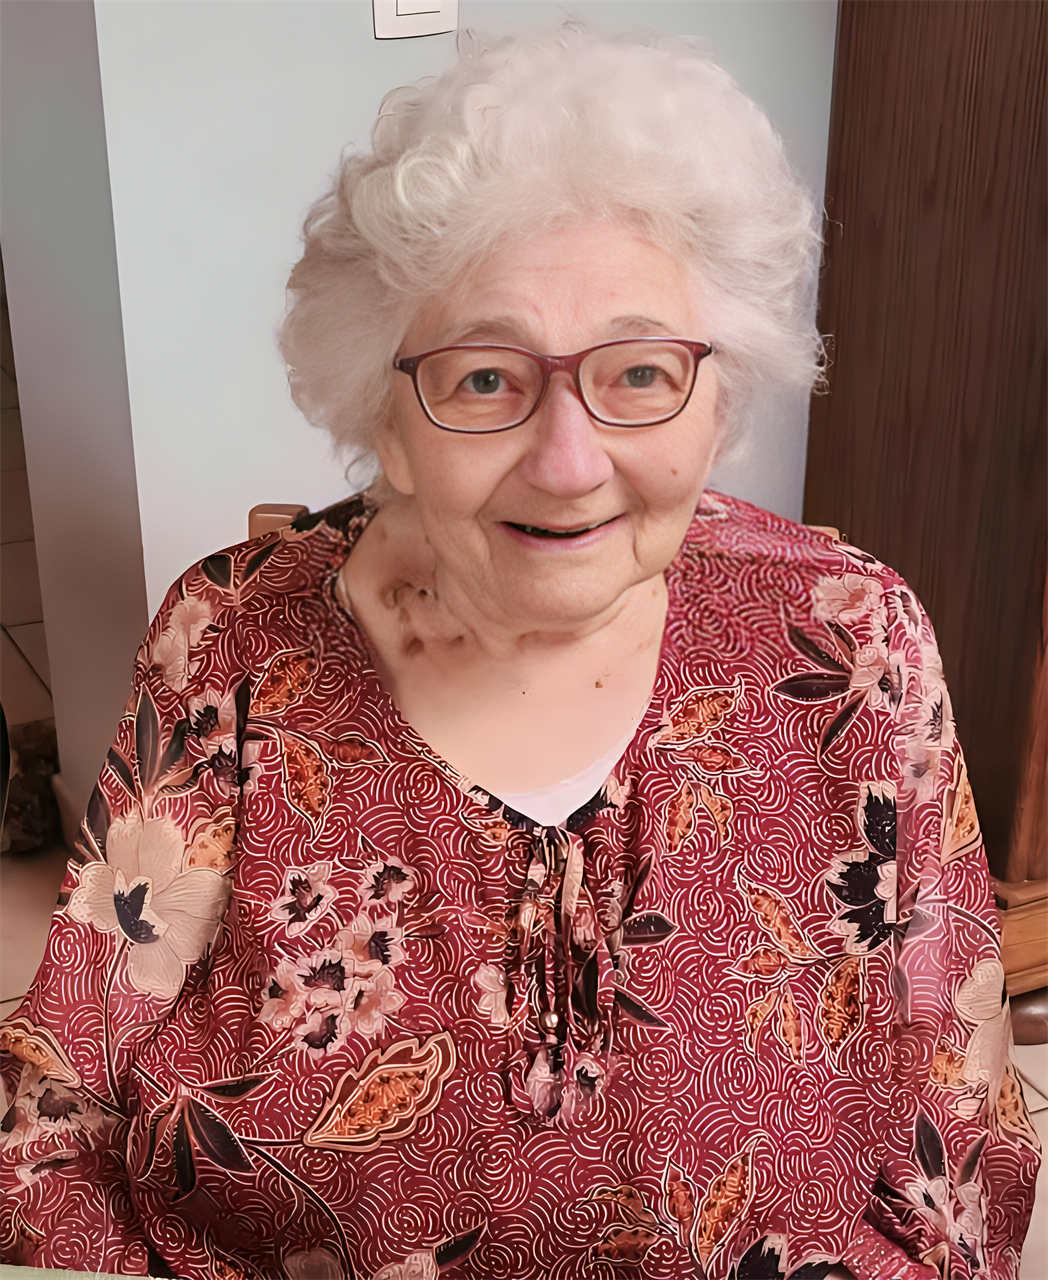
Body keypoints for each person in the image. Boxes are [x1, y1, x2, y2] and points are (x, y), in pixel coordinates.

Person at [0, 26, 1038, 1280]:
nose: (567, 460)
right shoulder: (232, 637)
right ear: (384, 416)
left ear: (720, 399)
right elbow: (61, 1112)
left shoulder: (851, 635)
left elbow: (959, 1121)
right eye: (485, 378)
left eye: (640, 371)